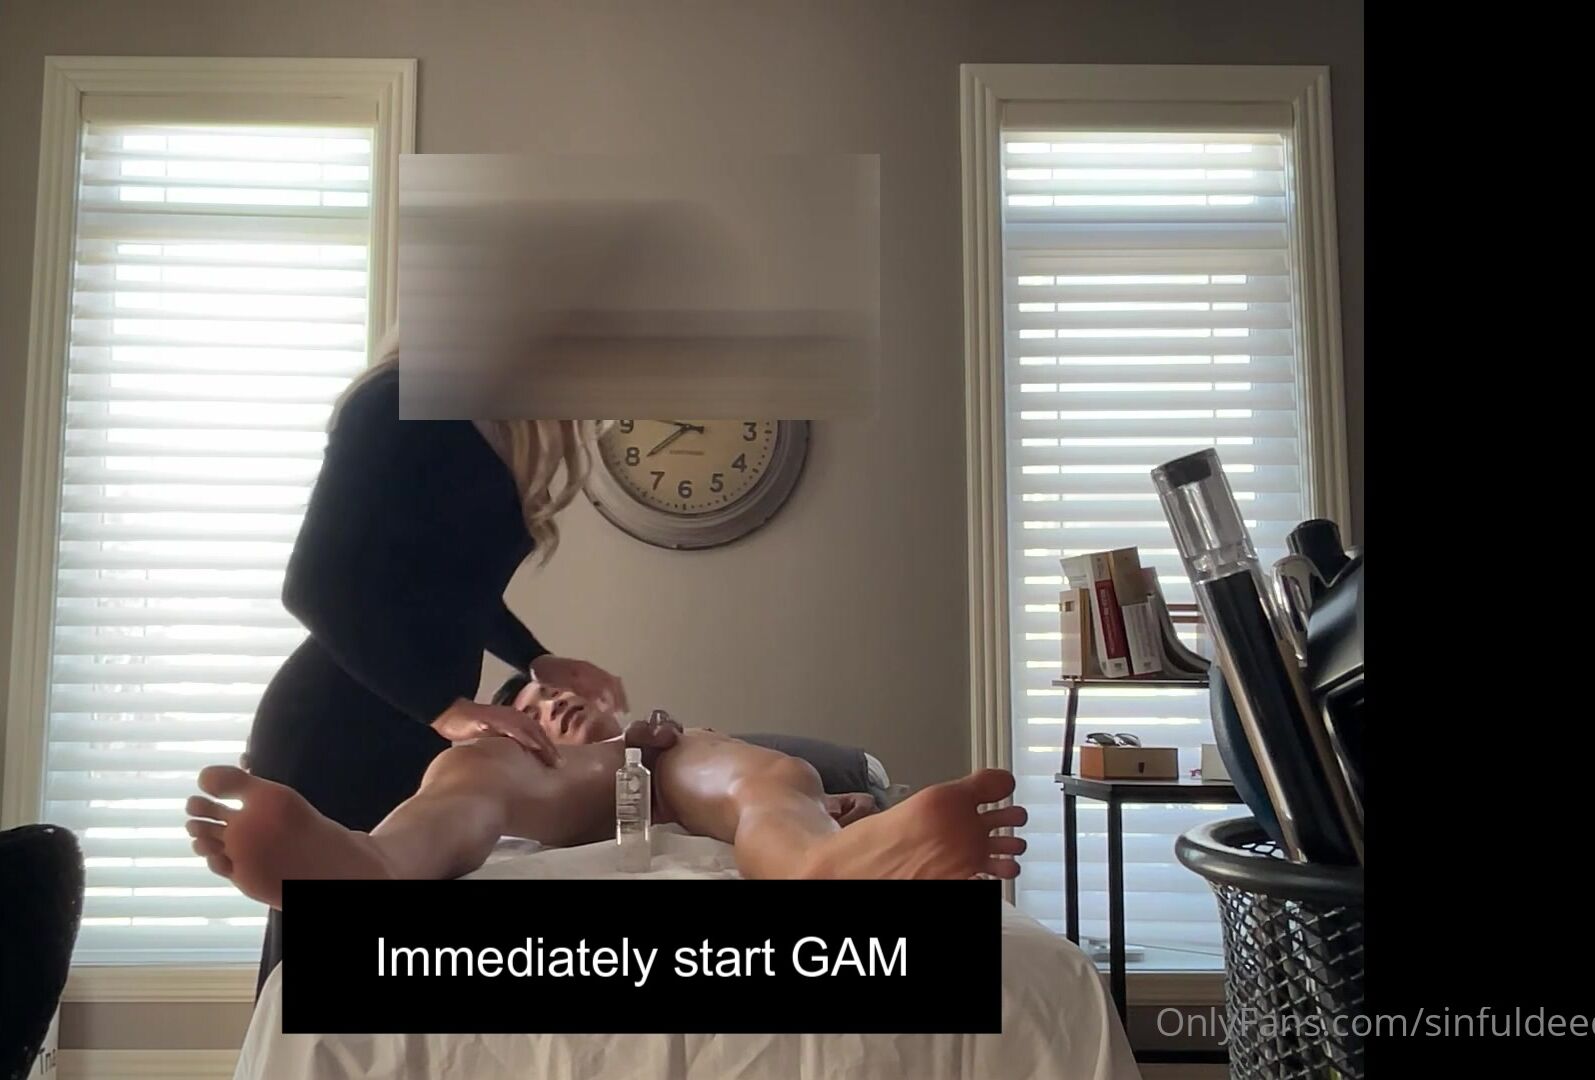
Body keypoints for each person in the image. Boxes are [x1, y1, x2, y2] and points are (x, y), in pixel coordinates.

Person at [242, 327, 625, 992]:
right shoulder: (397, 401)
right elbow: (313, 586)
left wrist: (536, 658)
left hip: (407, 723)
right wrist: (443, 708)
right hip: (338, 726)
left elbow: (447, 588)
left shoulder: (491, 420)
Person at [186, 684, 1028, 906]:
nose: (556, 703)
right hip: (550, 783)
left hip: (672, 778)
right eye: (535, 702)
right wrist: (556, 744)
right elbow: (497, 768)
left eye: (569, 696)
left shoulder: (675, 739)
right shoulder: (514, 755)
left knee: (762, 780)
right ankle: (363, 865)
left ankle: (823, 866)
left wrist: (850, 811)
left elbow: (753, 788)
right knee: (468, 780)